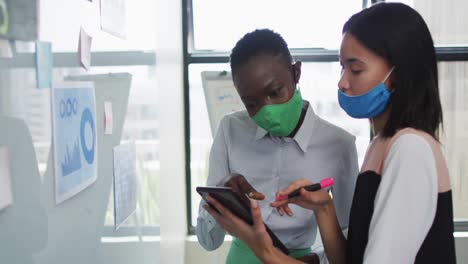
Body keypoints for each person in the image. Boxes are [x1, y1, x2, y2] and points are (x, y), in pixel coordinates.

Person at [203, 3, 456, 264]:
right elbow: (352, 257)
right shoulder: (380, 145)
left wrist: (265, 251)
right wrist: (324, 208)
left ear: (398, 73)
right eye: (342, 68)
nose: (343, 82)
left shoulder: (410, 149)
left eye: (355, 69)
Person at [196, 29, 359, 263]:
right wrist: (218, 197)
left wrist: (316, 260)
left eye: (275, 92)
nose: (267, 110)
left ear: (296, 72)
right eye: (251, 103)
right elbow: (208, 242)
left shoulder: (339, 145)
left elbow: (349, 245)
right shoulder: (230, 130)